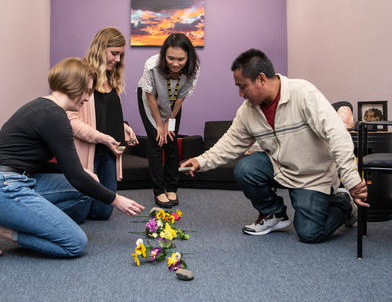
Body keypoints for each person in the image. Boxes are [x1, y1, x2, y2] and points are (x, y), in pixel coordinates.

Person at [180, 49, 369, 243]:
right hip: (279, 167)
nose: (240, 93)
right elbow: (230, 143)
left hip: (312, 176)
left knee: (310, 233)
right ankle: (274, 214)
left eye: (243, 87)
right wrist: (200, 161)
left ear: (261, 79)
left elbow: (337, 134)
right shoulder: (247, 111)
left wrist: (351, 179)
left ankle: (343, 203)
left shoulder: (303, 93)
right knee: (246, 169)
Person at [0, 57, 144, 259]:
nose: (88, 98)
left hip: (17, 180)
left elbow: (54, 166)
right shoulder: (54, 115)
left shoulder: (46, 109)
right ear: (74, 86)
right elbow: (75, 175)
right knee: (75, 243)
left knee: (86, 191)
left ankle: (27, 219)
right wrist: (115, 199)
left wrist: (83, 173)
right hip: (0, 186)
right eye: (87, 91)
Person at [67, 27, 138, 220]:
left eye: (121, 55)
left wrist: (123, 127)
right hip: (89, 152)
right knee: (79, 213)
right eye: (114, 53)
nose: (118, 60)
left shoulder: (111, 78)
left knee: (102, 212)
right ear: (100, 49)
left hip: (108, 153)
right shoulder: (80, 75)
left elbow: (105, 113)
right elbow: (71, 121)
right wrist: (102, 137)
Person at [137, 33, 200, 208]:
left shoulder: (193, 68)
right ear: (164, 54)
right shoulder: (151, 65)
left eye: (180, 59)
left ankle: (172, 186)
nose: (175, 63)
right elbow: (150, 98)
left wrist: (168, 123)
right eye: (171, 58)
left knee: (171, 141)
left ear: (188, 58)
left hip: (173, 104)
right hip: (150, 101)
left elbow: (180, 98)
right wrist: (159, 125)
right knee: (157, 141)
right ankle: (159, 190)